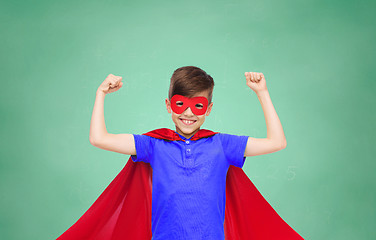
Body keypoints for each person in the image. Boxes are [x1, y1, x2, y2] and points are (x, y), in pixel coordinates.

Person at [56, 66, 304, 240]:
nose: (188, 113)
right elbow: (98, 138)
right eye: (180, 104)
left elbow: (277, 142)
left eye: (198, 106)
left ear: (208, 110)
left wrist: (262, 93)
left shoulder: (222, 145)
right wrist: (100, 94)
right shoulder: (154, 145)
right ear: (168, 106)